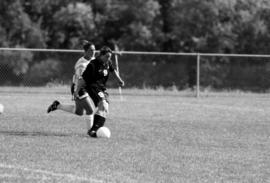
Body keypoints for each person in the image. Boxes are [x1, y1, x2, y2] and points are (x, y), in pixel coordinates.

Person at [47, 46, 125, 137]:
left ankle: (58, 106)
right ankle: (93, 131)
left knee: (84, 111)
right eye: (107, 56)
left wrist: (119, 80)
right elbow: (82, 79)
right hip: (91, 87)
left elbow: (113, 70)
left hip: (102, 88)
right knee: (97, 106)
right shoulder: (92, 65)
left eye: (110, 57)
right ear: (101, 55)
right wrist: (76, 92)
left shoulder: (108, 62)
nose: (108, 59)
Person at [47, 41, 96, 131]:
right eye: (91, 50)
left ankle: (57, 106)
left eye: (94, 50)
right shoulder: (82, 65)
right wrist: (76, 92)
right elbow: (80, 81)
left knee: (79, 112)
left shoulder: (92, 59)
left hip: (83, 87)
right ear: (85, 51)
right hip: (79, 87)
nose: (93, 52)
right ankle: (91, 132)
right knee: (90, 110)